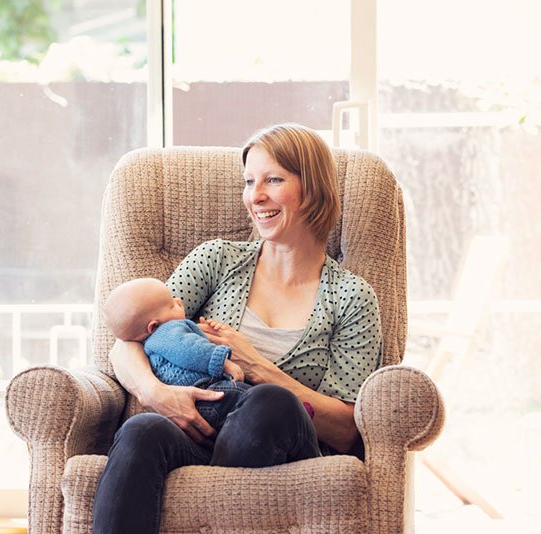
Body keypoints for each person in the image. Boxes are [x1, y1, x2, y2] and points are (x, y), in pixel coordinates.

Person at [92, 123, 384, 534]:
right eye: (249, 182)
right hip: (201, 433)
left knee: (271, 402)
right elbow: (128, 341)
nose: (255, 196)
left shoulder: (352, 298)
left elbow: (345, 428)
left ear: (314, 188)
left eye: (274, 179)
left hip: (287, 443)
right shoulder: (217, 260)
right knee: (141, 429)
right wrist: (155, 393)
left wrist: (257, 366)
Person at [103, 277, 251, 430]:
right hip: (206, 394)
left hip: (186, 408)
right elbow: (191, 350)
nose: (179, 300)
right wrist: (223, 362)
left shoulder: (149, 344)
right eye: (172, 305)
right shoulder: (168, 332)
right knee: (254, 397)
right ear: (153, 326)